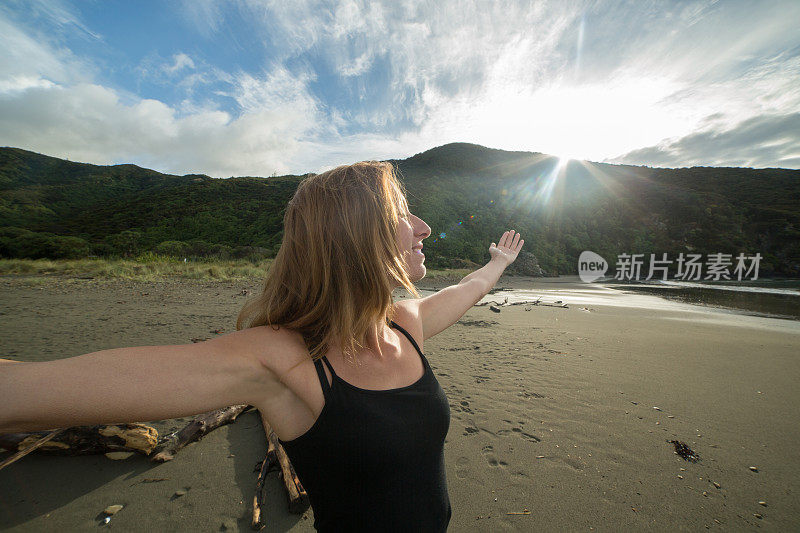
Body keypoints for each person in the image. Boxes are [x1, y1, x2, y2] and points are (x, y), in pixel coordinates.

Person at [0, 160, 524, 531]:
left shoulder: (406, 324)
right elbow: (23, 391)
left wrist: (497, 264)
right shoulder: (281, 358)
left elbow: (465, 290)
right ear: (353, 234)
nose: (425, 227)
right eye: (404, 212)